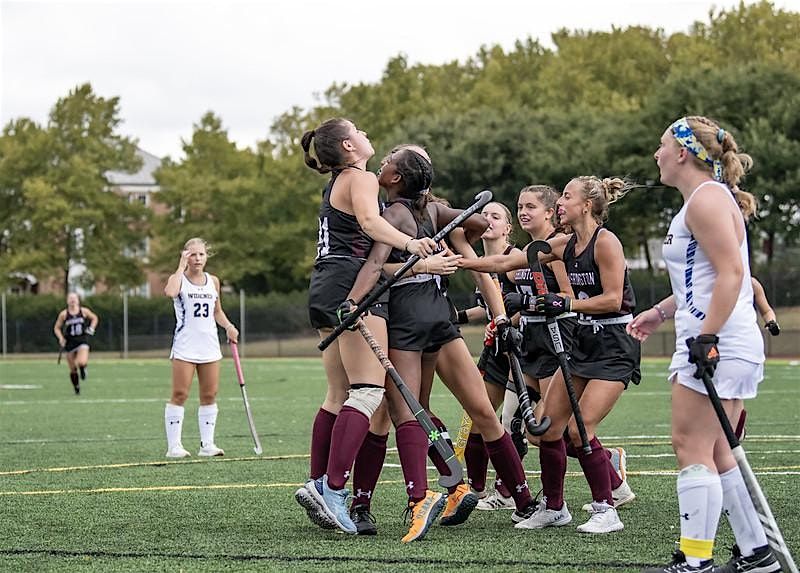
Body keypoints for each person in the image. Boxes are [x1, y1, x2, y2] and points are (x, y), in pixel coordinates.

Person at [344, 144, 537, 542]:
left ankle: (386, 502)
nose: (383, 162)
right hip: (441, 320)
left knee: (401, 416)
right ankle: (521, 501)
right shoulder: (433, 211)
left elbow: (377, 265)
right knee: (473, 411)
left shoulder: (393, 214)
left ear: (400, 177)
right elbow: (480, 226)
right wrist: (436, 250)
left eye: (392, 160)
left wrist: (351, 301)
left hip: (409, 325)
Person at [629, 116, 779, 573]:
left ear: (680, 152)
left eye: (660, 146)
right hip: (719, 338)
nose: (655, 155)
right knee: (717, 451)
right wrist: (659, 313)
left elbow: (734, 274)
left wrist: (708, 335)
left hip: (719, 342)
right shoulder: (702, 200)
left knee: (689, 446)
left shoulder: (706, 200)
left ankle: (695, 561)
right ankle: (756, 553)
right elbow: (702, 279)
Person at [460, 176, 640, 534]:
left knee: (580, 428)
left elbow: (613, 299)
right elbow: (503, 265)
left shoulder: (606, 243)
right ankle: (555, 507)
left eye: (567, 197)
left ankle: (607, 507)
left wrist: (565, 302)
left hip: (614, 345)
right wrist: (458, 262)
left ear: (586, 206)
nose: (561, 204)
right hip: (582, 344)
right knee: (545, 429)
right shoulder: (564, 243)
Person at [292, 119, 437, 536]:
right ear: (347, 145)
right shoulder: (359, 177)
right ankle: (333, 490)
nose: (367, 134)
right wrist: (411, 244)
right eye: (358, 130)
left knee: (339, 392)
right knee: (369, 391)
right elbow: (373, 227)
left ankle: (320, 481)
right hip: (350, 287)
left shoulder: (342, 177)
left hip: (325, 284)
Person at [163, 237, 239, 459]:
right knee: (179, 394)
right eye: (192, 254)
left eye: (201, 254)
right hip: (185, 346)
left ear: (207, 256)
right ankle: (174, 446)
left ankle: (207, 444)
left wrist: (229, 326)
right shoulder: (178, 279)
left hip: (210, 346)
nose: (197, 259)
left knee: (209, 394)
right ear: (185, 255)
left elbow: (217, 311)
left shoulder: (213, 281)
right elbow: (170, 292)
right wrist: (180, 265)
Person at [53, 292, 99, 395]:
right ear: (67, 301)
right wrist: (61, 338)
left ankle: (83, 369)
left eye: (74, 298)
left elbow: (95, 318)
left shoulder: (83, 311)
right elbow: (56, 328)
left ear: (78, 300)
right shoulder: (64, 314)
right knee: (73, 369)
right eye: (70, 298)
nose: (72, 300)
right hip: (70, 343)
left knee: (81, 362)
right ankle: (76, 387)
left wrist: (91, 328)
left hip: (82, 340)